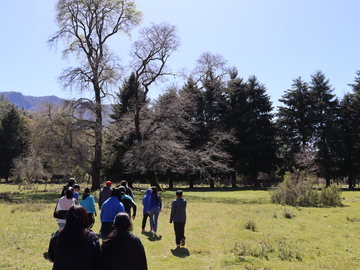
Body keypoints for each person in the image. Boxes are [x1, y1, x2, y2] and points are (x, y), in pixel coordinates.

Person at [48, 205, 102, 270]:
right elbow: (97, 259)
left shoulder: (57, 236)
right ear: (85, 218)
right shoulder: (91, 238)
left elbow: (51, 255)